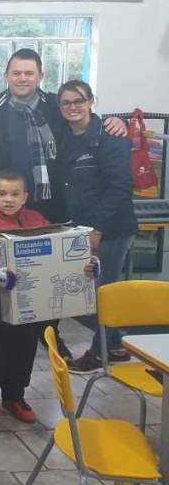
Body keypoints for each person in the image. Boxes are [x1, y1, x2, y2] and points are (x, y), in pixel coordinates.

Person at [0, 50, 124, 359]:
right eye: (16, 73)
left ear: (40, 76)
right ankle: (6, 331)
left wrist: (111, 122)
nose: (23, 78)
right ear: (6, 76)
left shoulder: (54, 105)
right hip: (9, 206)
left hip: (53, 205)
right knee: (11, 274)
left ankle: (50, 334)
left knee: (53, 273)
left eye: (29, 73)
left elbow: (82, 121)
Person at [56, 80, 137, 374]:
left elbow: (119, 187)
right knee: (100, 289)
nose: (73, 107)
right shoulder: (67, 136)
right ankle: (115, 346)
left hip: (111, 228)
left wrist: (98, 230)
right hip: (83, 227)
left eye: (79, 100)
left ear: (91, 101)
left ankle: (99, 352)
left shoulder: (110, 136)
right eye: (66, 103)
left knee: (104, 292)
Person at [0, 170, 51, 424]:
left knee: (25, 353)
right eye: (2, 193)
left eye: (15, 194)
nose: (8, 199)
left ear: (25, 197)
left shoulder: (36, 219)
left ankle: (15, 396)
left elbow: (57, 243)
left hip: (32, 303)